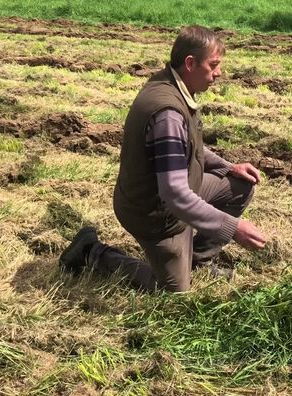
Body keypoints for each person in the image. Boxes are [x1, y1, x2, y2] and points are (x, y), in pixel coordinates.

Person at [59, 25, 266, 292]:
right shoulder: (168, 113)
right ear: (190, 63)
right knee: (172, 292)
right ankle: (92, 252)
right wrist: (232, 228)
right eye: (213, 65)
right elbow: (176, 195)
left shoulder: (174, 84)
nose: (219, 73)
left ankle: (197, 261)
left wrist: (229, 167)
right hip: (153, 212)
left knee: (240, 186)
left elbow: (188, 147)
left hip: (174, 195)